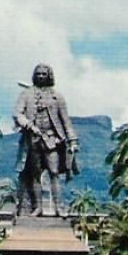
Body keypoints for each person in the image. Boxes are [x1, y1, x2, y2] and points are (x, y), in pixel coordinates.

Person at [13, 63, 78, 218]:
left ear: (49, 76)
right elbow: (17, 113)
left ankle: (59, 207)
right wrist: (28, 125)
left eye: (44, 74)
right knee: (35, 174)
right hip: (33, 141)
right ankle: (38, 207)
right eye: (39, 74)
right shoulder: (26, 94)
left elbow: (66, 121)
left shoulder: (57, 97)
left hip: (52, 141)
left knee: (54, 172)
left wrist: (73, 140)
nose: (41, 76)